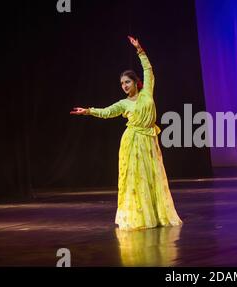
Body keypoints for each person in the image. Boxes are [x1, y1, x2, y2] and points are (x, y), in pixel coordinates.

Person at [70, 36, 182, 230]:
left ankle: (156, 215)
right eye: (122, 83)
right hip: (132, 142)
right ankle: (138, 216)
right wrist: (88, 111)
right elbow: (107, 112)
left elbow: (148, 70)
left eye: (127, 82)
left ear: (136, 82)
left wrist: (140, 50)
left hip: (149, 141)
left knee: (153, 177)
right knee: (136, 179)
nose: (124, 86)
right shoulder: (123, 104)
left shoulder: (147, 92)